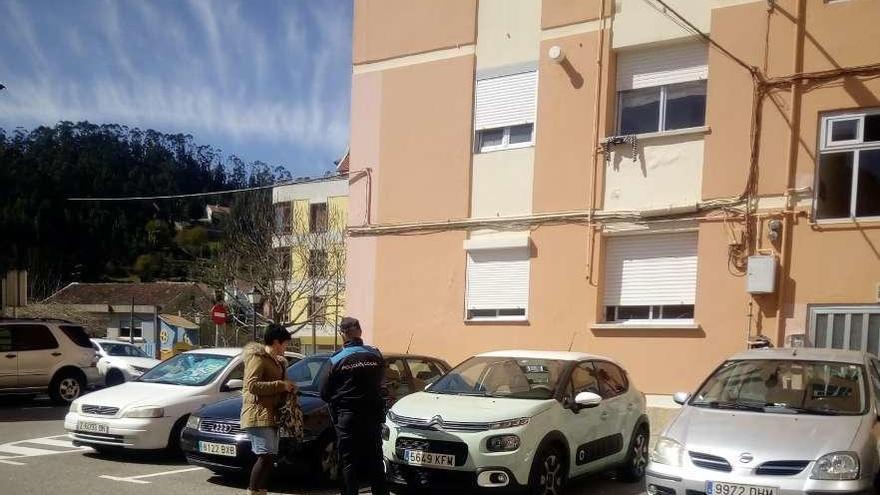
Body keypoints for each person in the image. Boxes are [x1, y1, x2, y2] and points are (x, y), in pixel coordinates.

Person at [320, 316, 389, 495]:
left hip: (347, 417)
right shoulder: (375, 355)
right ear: (360, 331)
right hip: (372, 416)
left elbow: (324, 393)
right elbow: (383, 385)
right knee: (375, 460)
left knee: (348, 461)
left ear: (343, 334)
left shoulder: (336, 359)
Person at [240, 324, 296, 495]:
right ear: (276, 342)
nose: (286, 347)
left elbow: (280, 387)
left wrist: (290, 388)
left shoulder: (278, 362)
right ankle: (252, 491)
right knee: (265, 456)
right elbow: (252, 385)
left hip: (272, 414)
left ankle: (261, 491)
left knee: (270, 457)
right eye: (285, 343)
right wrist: (281, 385)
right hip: (257, 413)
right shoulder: (258, 358)